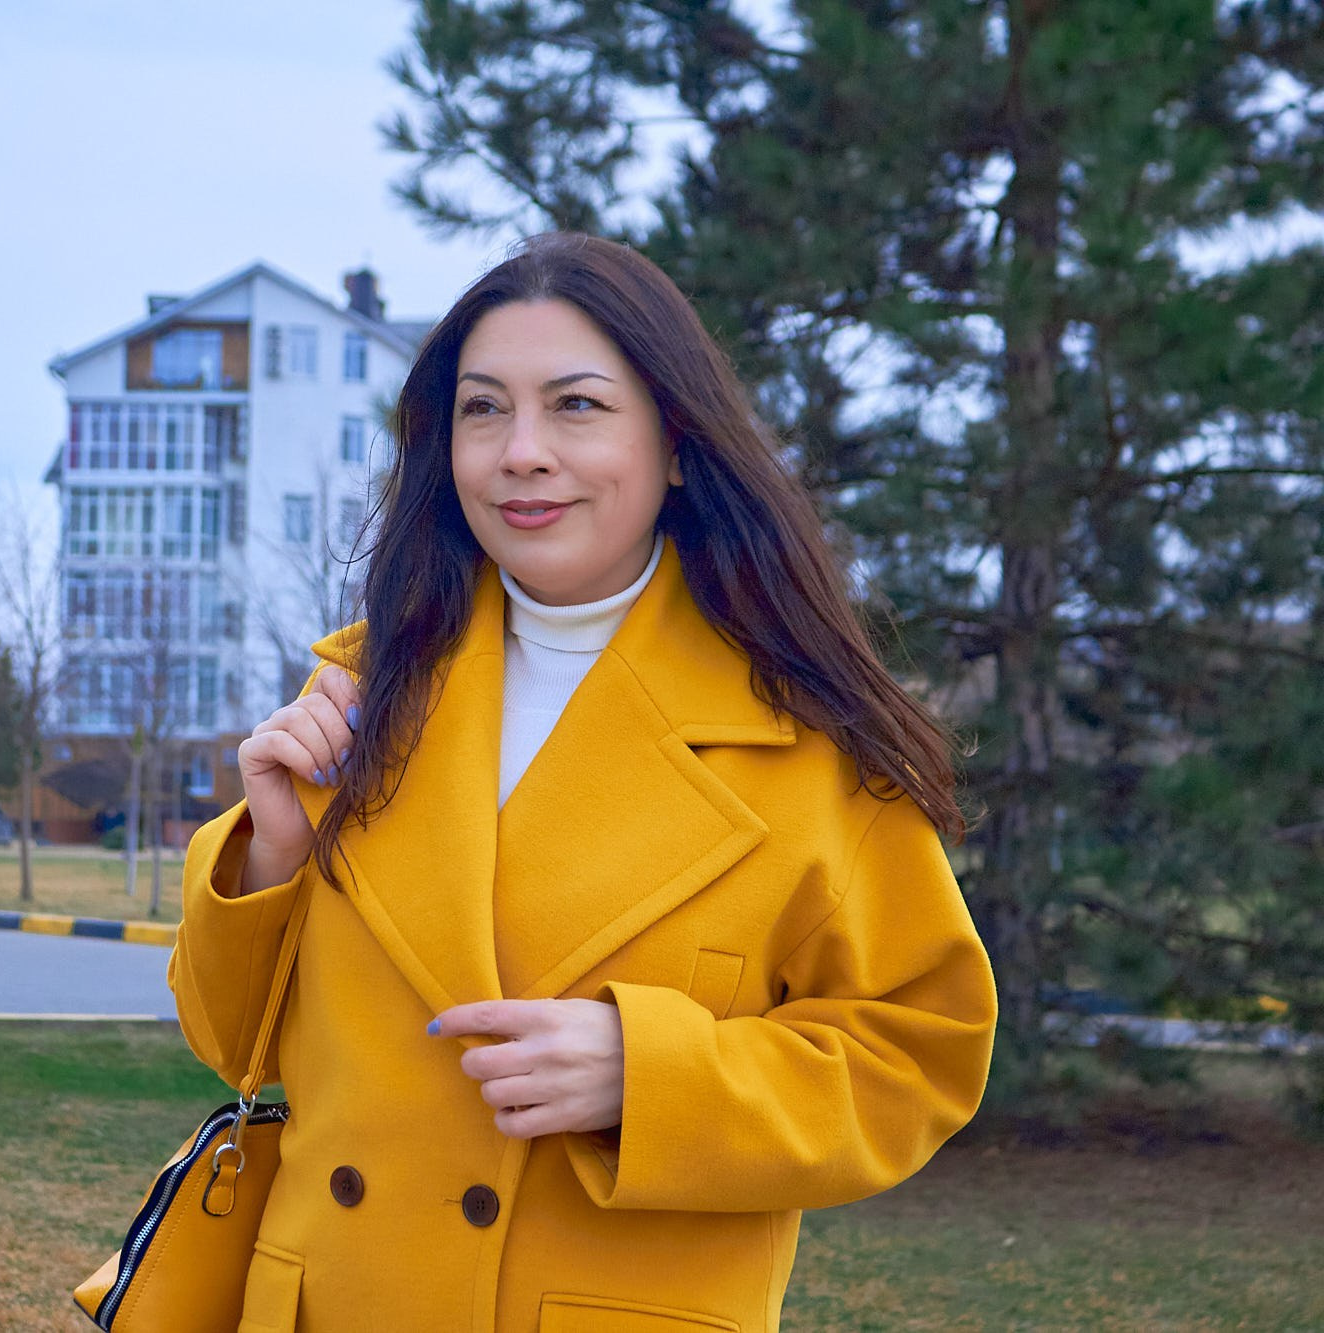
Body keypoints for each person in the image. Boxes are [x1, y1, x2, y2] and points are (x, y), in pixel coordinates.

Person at [168, 232, 997, 1333]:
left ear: (676, 446)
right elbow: (236, 1048)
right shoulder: (362, 697)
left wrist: (649, 1076)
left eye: (574, 406)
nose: (519, 452)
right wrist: (269, 854)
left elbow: (915, 1057)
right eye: (480, 409)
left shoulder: (804, 740)